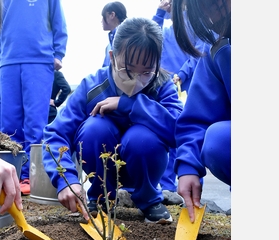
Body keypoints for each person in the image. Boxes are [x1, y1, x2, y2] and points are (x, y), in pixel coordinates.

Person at [42, 17, 183, 223]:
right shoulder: (92, 86)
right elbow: (56, 133)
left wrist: (132, 104)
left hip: (143, 163)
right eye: (128, 69)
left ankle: (148, 199)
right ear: (112, 56)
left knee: (142, 138)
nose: (136, 78)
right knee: (94, 129)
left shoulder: (161, 85)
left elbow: (179, 129)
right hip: (101, 166)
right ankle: (101, 198)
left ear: (157, 64)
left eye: (146, 71)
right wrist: (66, 179)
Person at [0, 0, 68, 196]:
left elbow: (58, 20)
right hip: (8, 60)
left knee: (35, 124)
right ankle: (13, 175)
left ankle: (29, 176)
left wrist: (59, 52)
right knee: (9, 126)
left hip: (38, 59)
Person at [172, 0, 231, 222]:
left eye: (213, 5)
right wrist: (188, 167)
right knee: (218, 139)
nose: (211, 20)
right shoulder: (218, 47)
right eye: (200, 12)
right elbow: (197, 117)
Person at [152, 0, 208, 204]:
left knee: (188, 134)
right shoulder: (164, 28)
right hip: (166, 90)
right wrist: (159, 13)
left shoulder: (193, 22)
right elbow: (149, 39)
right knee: (168, 136)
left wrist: (182, 74)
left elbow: (200, 51)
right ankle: (167, 188)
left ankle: (193, 189)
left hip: (188, 89)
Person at [100, 1, 127, 67]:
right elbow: (106, 69)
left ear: (112, 15)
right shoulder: (108, 46)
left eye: (103, 16)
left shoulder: (127, 38)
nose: (101, 21)